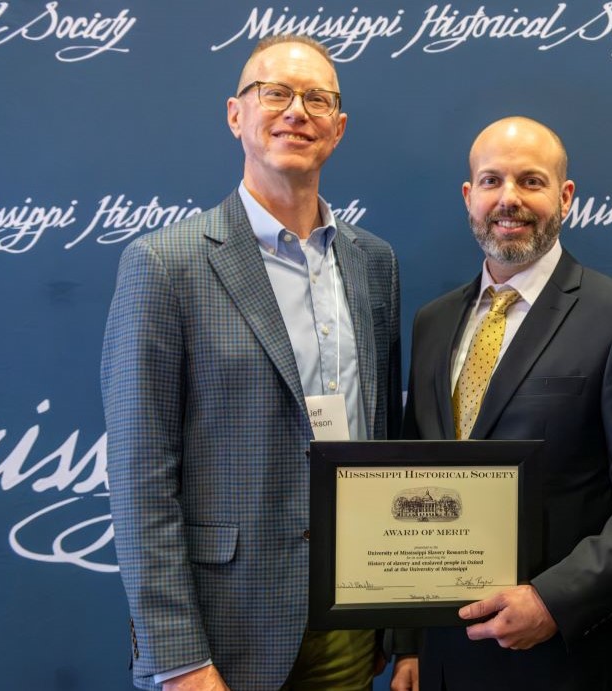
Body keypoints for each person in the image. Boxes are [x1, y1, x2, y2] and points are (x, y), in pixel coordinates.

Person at [102, 34, 400, 691]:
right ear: (236, 114)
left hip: (350, 618)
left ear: (339, 128)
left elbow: (387, 444)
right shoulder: (164, 264)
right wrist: (178, 656)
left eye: (317, 99)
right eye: (276, 93)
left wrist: (396, 620)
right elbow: (139, 473)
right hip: (225, 630)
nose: (298, 110)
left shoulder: (372, 263)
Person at [389, 116, 612, 691]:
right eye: (491, 181)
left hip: (571, 659)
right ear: (469, 197)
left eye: (530, 181)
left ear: (565, 196)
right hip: (447, 659)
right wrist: (410, 643)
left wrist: (553, 601)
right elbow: (414, 474)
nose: (509, 199)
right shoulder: (433, 323)